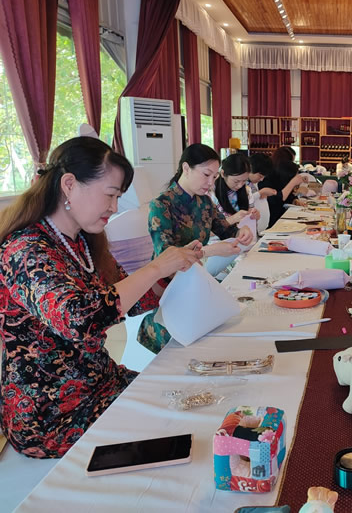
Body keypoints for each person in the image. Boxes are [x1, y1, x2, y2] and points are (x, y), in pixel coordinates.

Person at [0, 137, 203, 458]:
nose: (114, 207)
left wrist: (173, 273)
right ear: (69, 184)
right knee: (175, 430)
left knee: (190, 402)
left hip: (100, 382)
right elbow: (79, 321)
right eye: (110, 195)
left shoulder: (81, 243)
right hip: (52, 413)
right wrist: (155, 268)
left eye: (118, 197)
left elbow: (131, 298)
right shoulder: (25, 249)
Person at [138, 144, 254, 354]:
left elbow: (225, 229)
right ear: (186, 168)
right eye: (206, 175)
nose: (210, 183)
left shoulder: (205, 202)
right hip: (169, 288)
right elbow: (166, 258)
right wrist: (210, 251)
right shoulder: (162, 205)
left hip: (196, 281)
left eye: (214, 177)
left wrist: (241, 231)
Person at [212, 153, 260, 225]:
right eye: (236, 181)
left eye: (244, 181)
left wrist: (255, 216)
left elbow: (250, 214)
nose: (240, 185)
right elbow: (208, 228)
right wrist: (233, 219)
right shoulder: (211, 194)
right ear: (222, 173)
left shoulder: (247, 190)